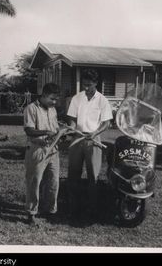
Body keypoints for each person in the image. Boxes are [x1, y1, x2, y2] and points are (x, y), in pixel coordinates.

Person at [67, 69, 113, 220]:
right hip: (77, 138)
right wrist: (73, 129)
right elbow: (72, 119)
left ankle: (91, 208)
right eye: (84, 84)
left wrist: (95, 133)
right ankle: (72, 206)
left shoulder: (102, 100)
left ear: (96, 83)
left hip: (94, 139)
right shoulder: (77, 98)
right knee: (73, 174)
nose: (86, 88)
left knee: (93, 175)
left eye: (89, 85)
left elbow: (106, 123)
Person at [23, 83, 60, 225]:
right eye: (52, 99)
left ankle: (51, 211)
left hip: (53, 150)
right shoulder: (31, 109)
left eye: (56, 99)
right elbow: (29, 130)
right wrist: (45, 132)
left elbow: (55, 128)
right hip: (37, 150)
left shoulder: (53, 110)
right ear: (44, 95)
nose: (54, 102)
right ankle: (31, 213)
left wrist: (60, 133)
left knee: (53, 182)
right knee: (34, 182)